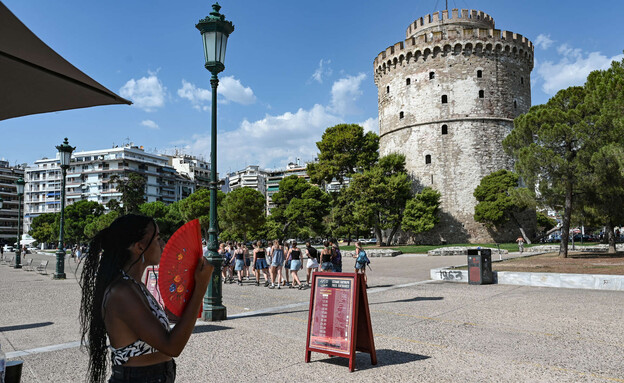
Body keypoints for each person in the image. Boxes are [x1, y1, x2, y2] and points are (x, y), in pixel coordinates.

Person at [79, 214, 213, 383]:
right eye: (157, 238)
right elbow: (172, 347)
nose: (162, 244)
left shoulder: (134, 285)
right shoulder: (122, 292)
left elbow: (154, 328)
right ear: (139, 247)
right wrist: (201, 288)